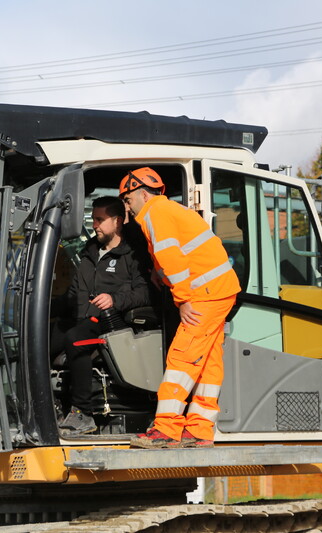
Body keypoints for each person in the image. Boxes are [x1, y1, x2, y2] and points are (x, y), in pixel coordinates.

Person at [119, 167, 240, 449]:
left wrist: (183, 300)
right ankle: (199, 428)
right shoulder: (166, 210)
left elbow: (172, 257)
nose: (127, 206)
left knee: (181, 359)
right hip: (219, 290)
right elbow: (174, 253)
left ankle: (166, 429)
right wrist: (158, 274)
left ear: (142, 194)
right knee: (209, 362)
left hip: (204, 294)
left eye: (127, 199)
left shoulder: (154, 214)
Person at [52, 196, 151, 436]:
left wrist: (114, 300)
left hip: (110, 322)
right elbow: (73, 295)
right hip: (81, 317)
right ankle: (46, 405)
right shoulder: (89, 253)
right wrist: (45, 307)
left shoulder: (132, 255)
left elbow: (144, 293)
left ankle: (82, 414)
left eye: (100, 219)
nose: (94, 224)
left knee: (76, 339)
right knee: (37, 338)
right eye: (93, 219)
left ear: (117, 221)